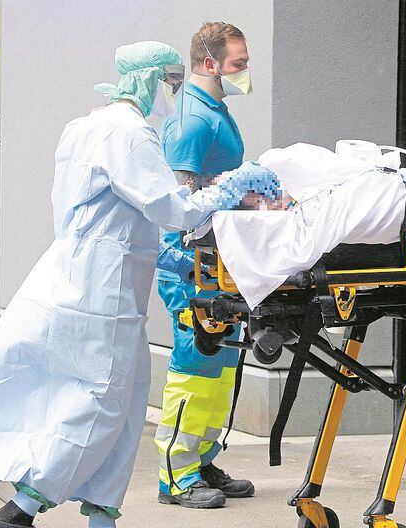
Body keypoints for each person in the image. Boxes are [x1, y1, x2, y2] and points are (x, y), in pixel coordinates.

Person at [0, 41, 277, 528]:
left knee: (125, 404)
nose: (174, 92)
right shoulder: (131, 134)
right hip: (104, 294)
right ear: (148, 78)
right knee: (100, 404)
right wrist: (230, 188)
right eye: (170, 82)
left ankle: (102, 517)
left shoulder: (84, 126)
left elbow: (113, 212)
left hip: (83, 276)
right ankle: (20, 509)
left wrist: (172, 255)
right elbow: (172, 209)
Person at [153, 22, 257, 509]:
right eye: (239, 63)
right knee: (195, 368)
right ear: (210, 63)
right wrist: (187, 266)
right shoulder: (191, 121)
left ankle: (202, 459)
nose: (245, 71)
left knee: (221, 365)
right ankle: (176, 476)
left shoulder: (214, 110)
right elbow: (178, 207)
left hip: (218, 262)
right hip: (191, 266)